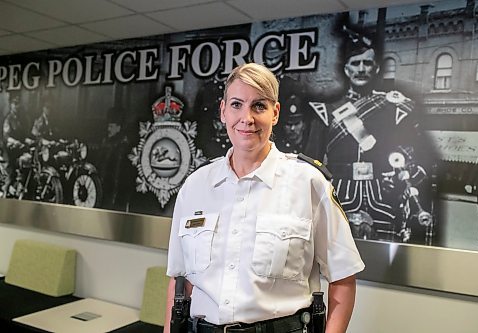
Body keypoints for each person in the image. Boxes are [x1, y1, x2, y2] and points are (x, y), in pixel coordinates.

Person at [164, 63, 364, 333]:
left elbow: (343, 277)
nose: (246, 118)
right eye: (236, 104)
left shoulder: (309, 183)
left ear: (275, 113)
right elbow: (180, 281)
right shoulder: (195, 186)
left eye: (259, 106)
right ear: (223, 111)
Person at [305, 27, 433, 244]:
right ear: (347, 69)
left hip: (384, 194)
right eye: (356, 63)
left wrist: (402, 183)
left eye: (367, 63)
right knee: (337, 261)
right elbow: (311, 162)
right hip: (339, 193)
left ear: (376, 69)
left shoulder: (396, 107)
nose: (361, 69)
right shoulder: (326, 111)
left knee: (382, 261)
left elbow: (418, 158)